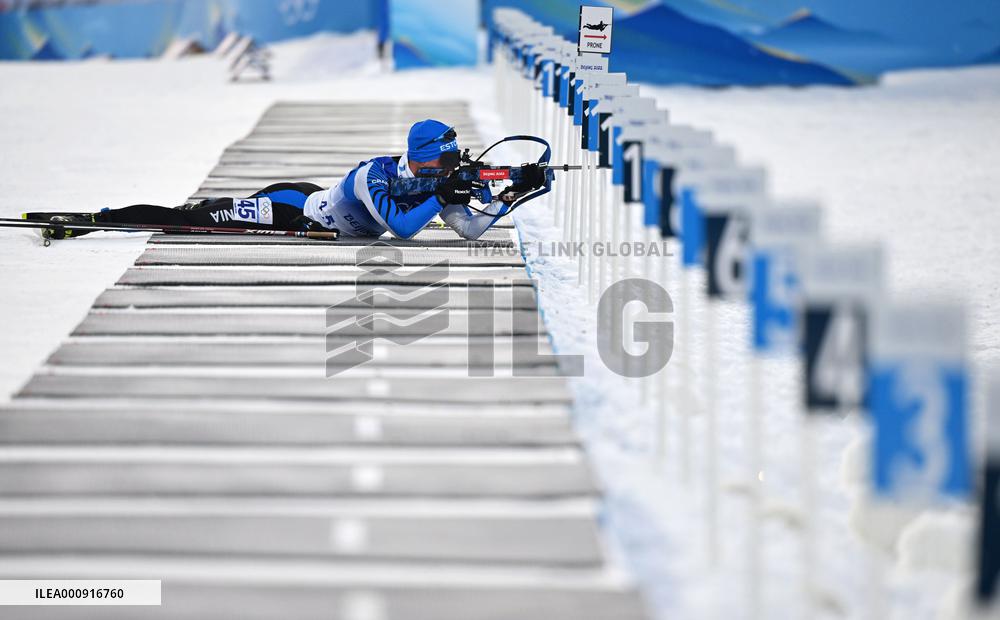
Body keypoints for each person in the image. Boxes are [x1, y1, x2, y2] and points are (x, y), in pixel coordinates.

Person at [38, 119, 544, 241]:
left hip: (307, 200)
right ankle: (95, 219)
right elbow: (405, 229)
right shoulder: (375, 175)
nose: (456, 168)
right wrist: (441, 195)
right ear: (427, 158)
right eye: (449, 161)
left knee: (198, 215)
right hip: (293, 211)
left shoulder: (439, 182)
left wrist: (510, 195)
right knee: (190, 221)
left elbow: (471, 229)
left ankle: (100, 218)